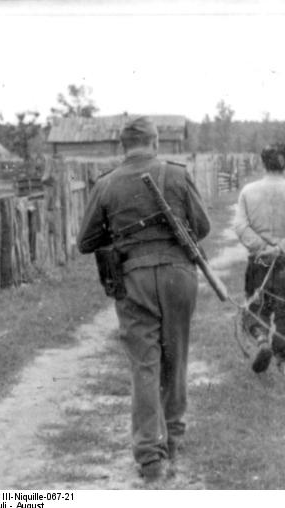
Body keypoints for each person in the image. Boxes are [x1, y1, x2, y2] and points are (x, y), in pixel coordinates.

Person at [77, 116, 211, 482]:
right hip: (178, 275)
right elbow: (201, 227)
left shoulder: (106, 185)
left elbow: (85, 242)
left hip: (133, 279)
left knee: (145, 367)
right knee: (176, 359)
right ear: (154, 142)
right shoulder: (178, 174)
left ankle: (150, 458)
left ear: (123, 146)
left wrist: (122, 234)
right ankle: (174, 440)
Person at [233, 143, 285, 374]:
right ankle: (283, 362)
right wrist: (282, 248)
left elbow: (240, 226)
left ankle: (261, 342)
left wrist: (262, 247)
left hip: (259, 261)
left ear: (262, 162)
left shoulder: (248, 191)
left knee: (257, 306)